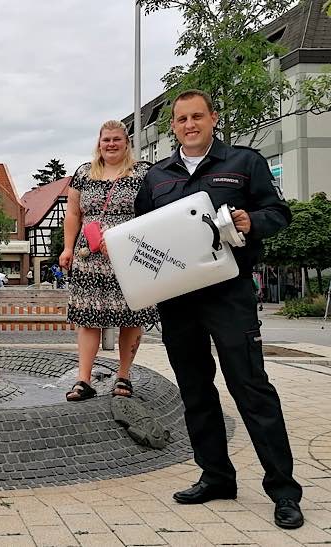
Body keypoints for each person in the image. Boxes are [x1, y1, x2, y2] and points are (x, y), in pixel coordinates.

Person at [135, 89, 302, 529]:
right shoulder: (156, 177)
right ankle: (216, 477)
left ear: (213, 119)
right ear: (172, 126)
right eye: (181, 119)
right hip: (179, 301)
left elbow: (278, 212)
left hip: (229, 294)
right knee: (195, 391)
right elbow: (141, 236)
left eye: (197, 117)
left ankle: (284, 491)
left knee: (251, 387)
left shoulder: (244, 163)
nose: (189, 125)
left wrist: (252, 222)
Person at [59, 120, 158, 402]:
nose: (111, 144)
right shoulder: (83, 173)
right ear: (99, 143)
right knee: (88, 317)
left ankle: (124, 376)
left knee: (131, 316)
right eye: (106, 140)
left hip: (128, 254)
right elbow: (74, 214)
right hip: (89, 255)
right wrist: (67, 248)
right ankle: (83, 380)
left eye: (117, 139)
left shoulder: (143, 173)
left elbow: (151, 214)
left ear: (127, 142)